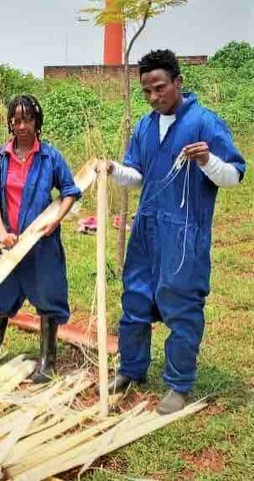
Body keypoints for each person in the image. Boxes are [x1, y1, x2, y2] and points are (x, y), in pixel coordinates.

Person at [106, 50, 246, 414]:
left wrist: (206, 160)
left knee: (181, 304)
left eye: (160, 88)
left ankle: (178, 384)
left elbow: (233, 176)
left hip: (184, 234)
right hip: (147, 228)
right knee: (135, 299)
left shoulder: (204, 122)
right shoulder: (144, 127)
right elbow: (136, 176)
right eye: (147, 92)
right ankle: (131, 370)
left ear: (178, 82)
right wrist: (112, 170)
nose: (154, 97)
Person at [0, 94, 81, 383]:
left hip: (41, 243)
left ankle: (47, 360)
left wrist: (56, 219)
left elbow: (69, 190)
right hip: (6, 242)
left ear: (37, 122)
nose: (22, 126)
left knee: (47, 294)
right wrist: (2, 233)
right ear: (9, 123)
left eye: (28, 119)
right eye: (16, 120)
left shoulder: (50, 156)